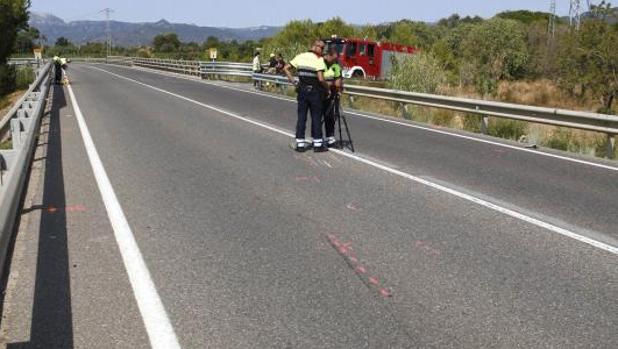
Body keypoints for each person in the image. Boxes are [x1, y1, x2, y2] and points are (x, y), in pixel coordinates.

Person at [284, 40, 330, 152]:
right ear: (314, 47)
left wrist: (294, 82)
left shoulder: (300, 57)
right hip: (315, 92)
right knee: (316, 117)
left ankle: (300, 144)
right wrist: (327, 88)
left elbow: (286, 68)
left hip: (302, 91)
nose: (323, 50)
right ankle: (318, 145)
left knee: (301, 117)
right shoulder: (318, 59)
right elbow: (320, 78)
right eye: (322, 48)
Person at [322, 49, 343, 147]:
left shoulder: (336, 66)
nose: (334, 61)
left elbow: (338, 83)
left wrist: (336, 89)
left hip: (331, 95)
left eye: (336, 59)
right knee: (317, 116)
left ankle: (330, 137)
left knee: (330, 116)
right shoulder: (320, 64)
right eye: (333, 59)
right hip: (319, 93)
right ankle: (317, 137)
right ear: (328, 56)